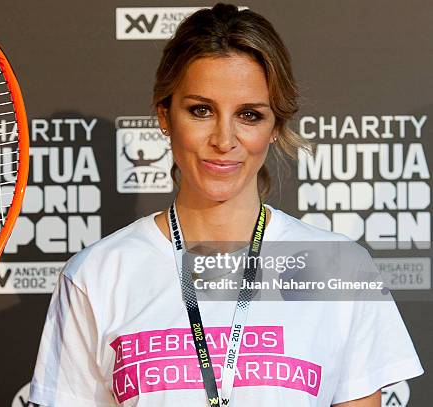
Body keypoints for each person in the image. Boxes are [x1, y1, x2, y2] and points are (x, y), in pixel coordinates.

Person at [28, 3, 423, 406]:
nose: (224, 138)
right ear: (165, 115)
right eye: (201, 110)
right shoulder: (98, 273)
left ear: (275, 127)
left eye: (249, 115)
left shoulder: (337, 268)